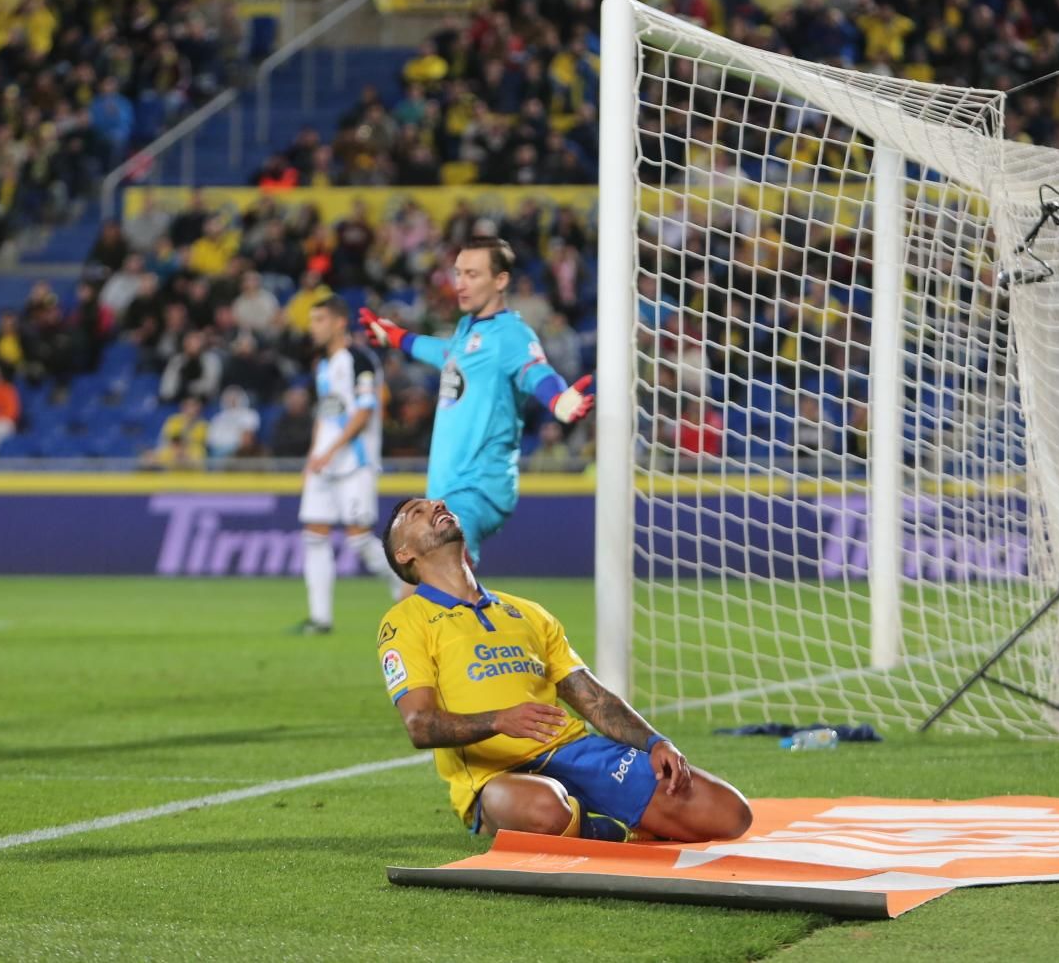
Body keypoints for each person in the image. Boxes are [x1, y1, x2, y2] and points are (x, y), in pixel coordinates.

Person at [378, 496, 752, 842]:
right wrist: (498, 720)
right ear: (404, 553)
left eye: (436, 503)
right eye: (417, 512)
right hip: (496, 775)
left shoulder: (527, 613)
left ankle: (593, 816)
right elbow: (421, 726)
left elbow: (592, 698)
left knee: (731, 816)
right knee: (545, 809)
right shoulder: (405, 622)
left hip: (571, 750)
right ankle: (598, 828)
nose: (436, 505)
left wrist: (655, 742)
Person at [358, 238, 594, 565]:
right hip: (446, 487)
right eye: (457, 273)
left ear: (501, 280)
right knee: (421, 596)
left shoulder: (512, 334)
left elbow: (535, 371)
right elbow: (446, 353)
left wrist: (557, 400)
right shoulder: (468, 329)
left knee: (444, 579)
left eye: (472, 274)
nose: (460, 284)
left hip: (478, 486)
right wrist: (397, 337)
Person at [297, 296, 404, 634]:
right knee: (314, 535)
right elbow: (325, 413)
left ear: (339, 322)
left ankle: (405, 589)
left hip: (354, 461)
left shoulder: (361, 360)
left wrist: (332, 450)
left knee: (359, 541)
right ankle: (320, 618)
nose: (313, 327)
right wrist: (315, 452)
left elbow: (364, 410)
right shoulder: (324, 366)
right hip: (324, 462)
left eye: (319, 320)